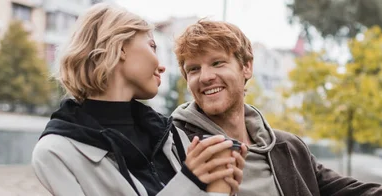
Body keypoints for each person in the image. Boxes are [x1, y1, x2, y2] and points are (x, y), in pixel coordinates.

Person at [171, 19, 382, 196]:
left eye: (217, 63)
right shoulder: (171, 145)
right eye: (194, 69)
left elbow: (353, 191)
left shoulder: (289, 148)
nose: (205, 77)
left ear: (246, 67)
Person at [31, 4, 246, 196]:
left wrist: (220, 188)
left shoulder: (171, 135)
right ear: (120, 46)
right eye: (152, 46)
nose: (161, 65)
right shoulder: (55, 152)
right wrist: (189, 181)